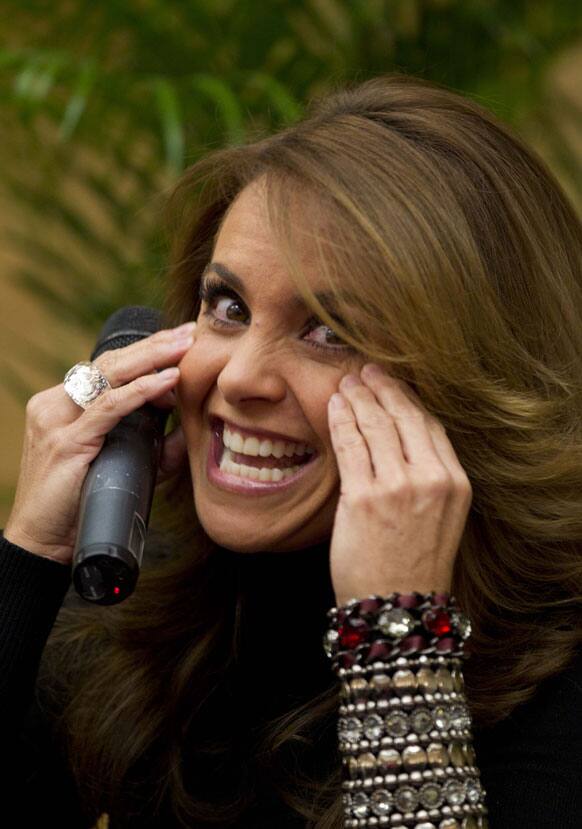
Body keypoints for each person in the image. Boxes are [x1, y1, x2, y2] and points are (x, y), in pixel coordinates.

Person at [1, 71, 581, 829]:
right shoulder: (158, 589)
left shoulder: (561, 679)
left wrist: (396, 639)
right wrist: (28, 560)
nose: (237, 378)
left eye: (330, 332)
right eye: (229, 306)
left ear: (472, 383)